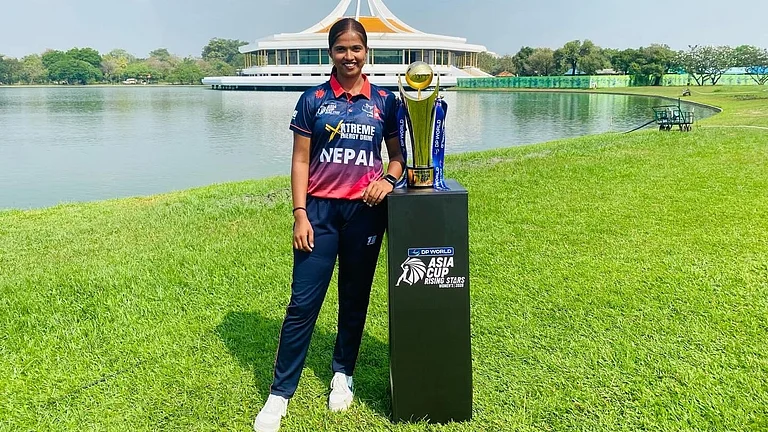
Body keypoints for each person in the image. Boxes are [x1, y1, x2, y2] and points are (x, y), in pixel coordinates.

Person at [253, 17, 405, 432]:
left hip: (364, 215)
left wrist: (388, 180)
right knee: (302, 304)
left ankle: (343, 374)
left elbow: (398, 157)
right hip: (318, 214)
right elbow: (300, 160)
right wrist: (299, 213)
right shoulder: (313, 99)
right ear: (331, 53)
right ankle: (279, 395)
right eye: (342, 49)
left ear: (366, 52)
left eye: (356, 49)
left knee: (354, 300)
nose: (349, 56)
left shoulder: (385, 101)